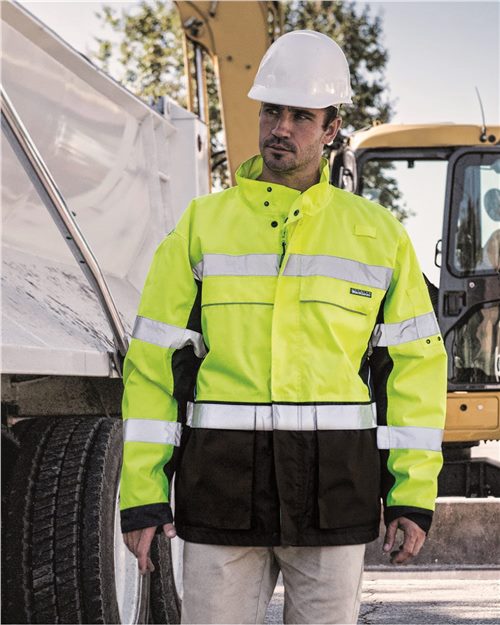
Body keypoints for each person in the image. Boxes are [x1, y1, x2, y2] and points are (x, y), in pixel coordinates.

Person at [120, 30, 447, 624]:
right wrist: (142, 493)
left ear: (331, 129)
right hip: (222, 493)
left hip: (333, 497)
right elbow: (153, 366)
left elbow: (414, 372)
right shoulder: (201, 226)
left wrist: (411, 495)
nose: (281, 128)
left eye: (301, 116)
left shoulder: (380, 237)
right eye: (272, 111)